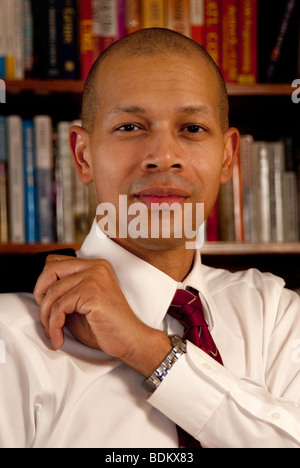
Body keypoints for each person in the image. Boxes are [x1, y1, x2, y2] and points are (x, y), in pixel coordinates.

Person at [1, 28, 300, 449]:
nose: (164, 155)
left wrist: (149, 350)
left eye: (192, 128)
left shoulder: (276, 314)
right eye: (129, 126)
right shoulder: (10, 339)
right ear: (82, 156)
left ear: (228, 157)